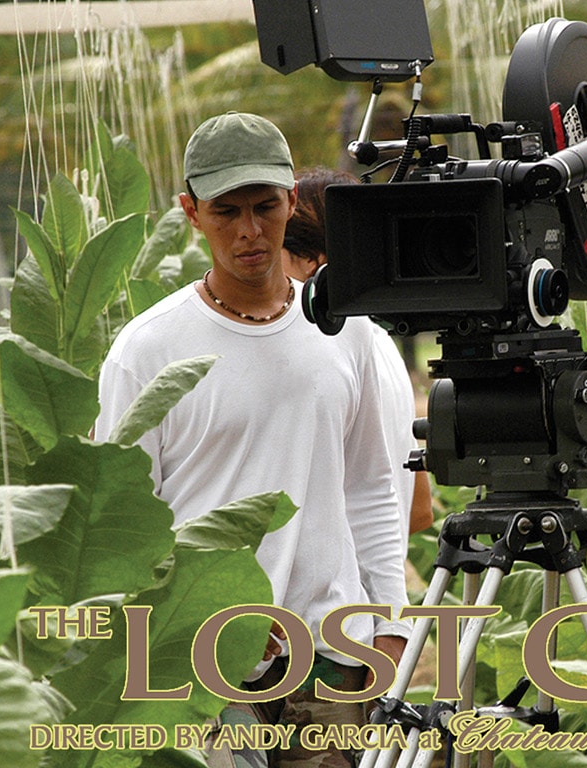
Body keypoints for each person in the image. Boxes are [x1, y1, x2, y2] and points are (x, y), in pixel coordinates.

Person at [94, 112, 409, 768]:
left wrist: (393, 629)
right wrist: (207, 603)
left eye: (265, 207)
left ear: (291, 201)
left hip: (330, 658)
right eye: (225, 211)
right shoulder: (147, 350)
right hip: (202, 658)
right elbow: (121, 522)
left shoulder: (345, 331)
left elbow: (374, 489)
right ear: (190, 212)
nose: (248, 231)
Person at [282, 166, 434, 538]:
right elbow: (419, 512)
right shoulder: (377, 341)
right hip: (378, 590)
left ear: (310, 262)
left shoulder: (312, 346)